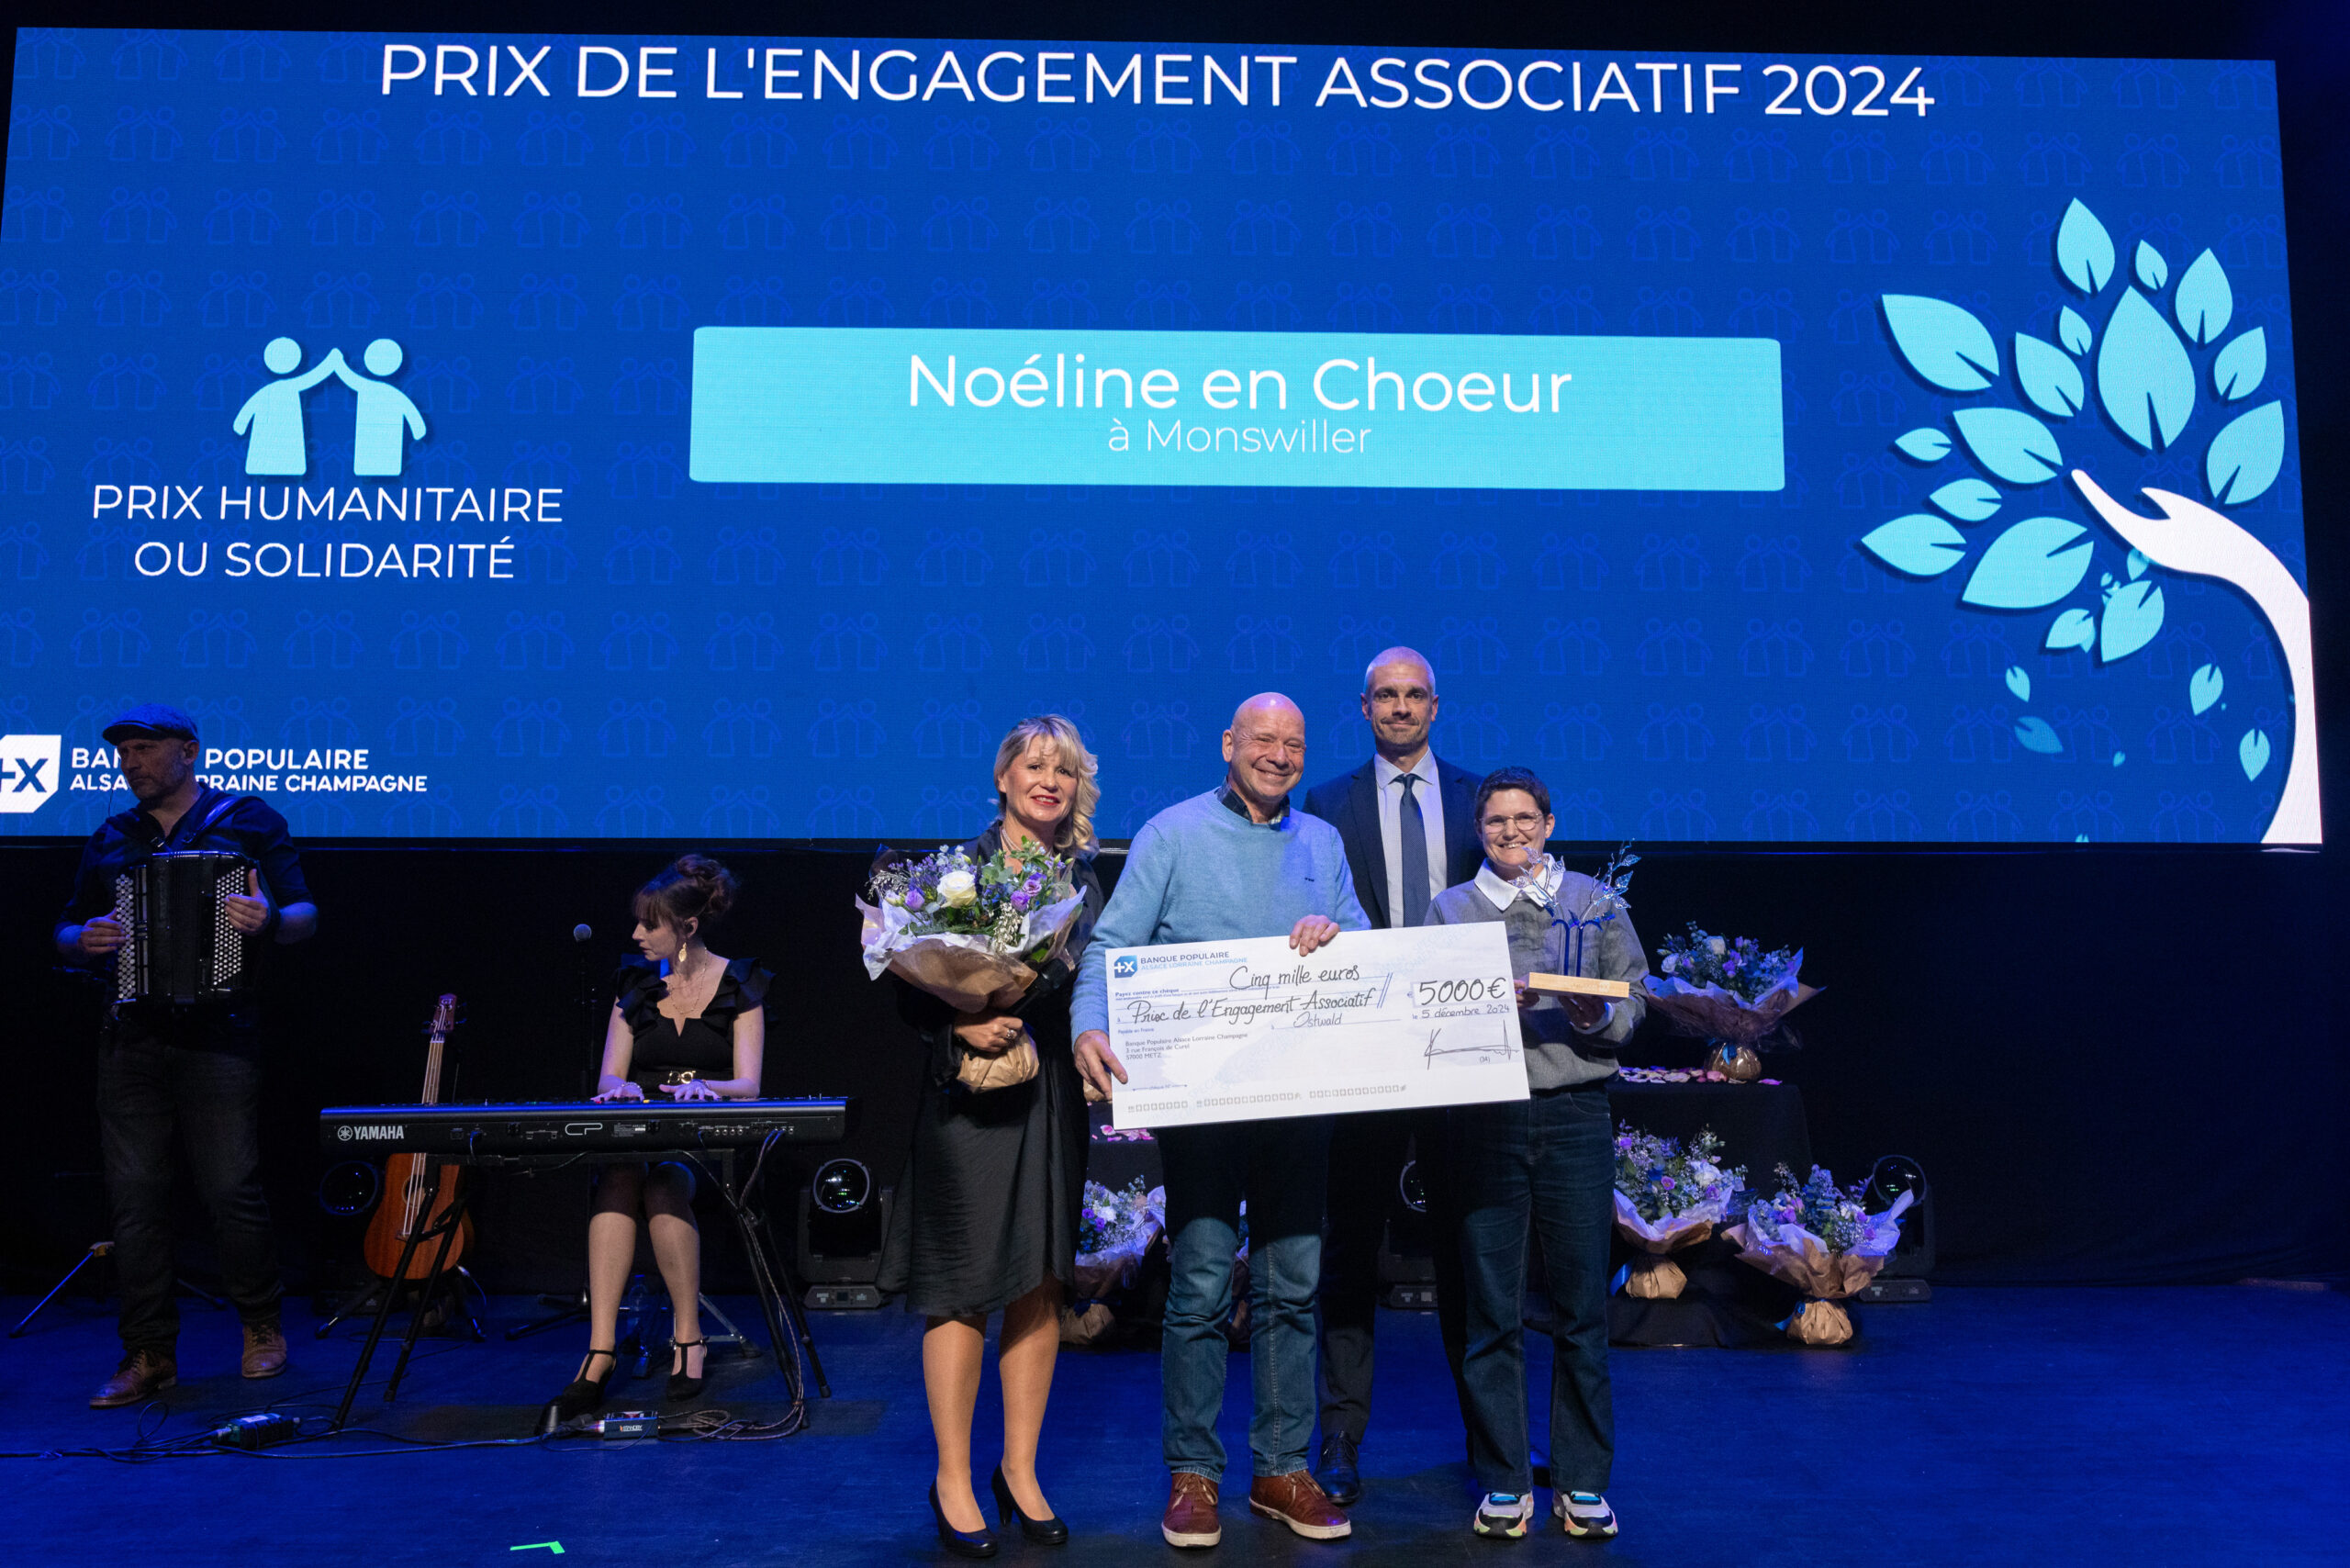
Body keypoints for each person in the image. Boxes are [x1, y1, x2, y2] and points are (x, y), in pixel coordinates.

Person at [1072, 693, 1369, 1551]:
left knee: (1293, 1286)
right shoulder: (1172, 833)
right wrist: (1089, 1025)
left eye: (1294, 744)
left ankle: (1281, 1469)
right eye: (1263, 739)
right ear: (1229, 743)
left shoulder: (1322, 842)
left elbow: (1365, 947)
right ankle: (1193, 1475)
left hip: (1300, 1098)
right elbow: (1110, 945)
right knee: (1201, 1283)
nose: (1279, 755)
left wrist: (1336, 933)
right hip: (1201, 1100)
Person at [878, 716, 1105, 1559]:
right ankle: (953, 1479)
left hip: (1047, 1098)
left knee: (1041, 1283)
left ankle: (1020, 1470)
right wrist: (960, 1022)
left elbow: (1093, 986)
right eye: (1034, 766)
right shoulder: (954, 874)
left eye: (1064, 770)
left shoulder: (1084, 882)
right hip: (966, 1101)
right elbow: (906, 987)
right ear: (1003, 778)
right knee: (960, 1286)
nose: (1049, 781)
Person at [53, 704, 319, 1408]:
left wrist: (268, 920)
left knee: (231, 1189)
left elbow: (305, 913)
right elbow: (65, 927)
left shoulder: (247, 821)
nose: (131, 763)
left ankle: (261, 1327)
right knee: (135, 1200)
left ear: (189, 752)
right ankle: (148, 1353)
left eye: (144, 749)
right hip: (131, 1037)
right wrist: (83, 939)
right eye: (123, 753)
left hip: (219, 1033)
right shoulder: (113, 836)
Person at [1422, 767, 1646, 1542]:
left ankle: (1582, 1480)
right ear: (1479, 832)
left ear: (1548, 824)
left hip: (1575, 1112)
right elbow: (1428, 1010)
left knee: (1581, 1304)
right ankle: (1504, 1478)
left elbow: (1634, 998)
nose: (1511, 832)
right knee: (1492, 1308)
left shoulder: (1594, 900)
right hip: (1485, 1118)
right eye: (1496, 822)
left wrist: (1594, 1016)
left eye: (1525, 819)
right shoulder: (1452, 909)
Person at [1299, 646, 1483, 1505]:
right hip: (1363, 1050)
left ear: (1435, 707)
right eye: (1386, 696)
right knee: (1350, 1248)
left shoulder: (1482, 800)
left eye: (1415, 695)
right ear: (1364, 707)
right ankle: (1339, 1438)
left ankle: (1494, 1441)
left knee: (1469, 1249)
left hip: (1462, 1047)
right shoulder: (1325, 804)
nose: (1401, 707)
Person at [551, 855, 768, 1420]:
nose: (636, 934)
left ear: (687, 928)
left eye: (650, 924)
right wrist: (621, 1089)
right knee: (620, 1177)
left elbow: (749, 1084)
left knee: (666, 1183)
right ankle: (600, 1352)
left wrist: (709, 1088)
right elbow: (609, 1076)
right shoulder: (635, 985)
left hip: (703, 1141)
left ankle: (688, 1338)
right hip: (640, 1132)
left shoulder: (740, 983)